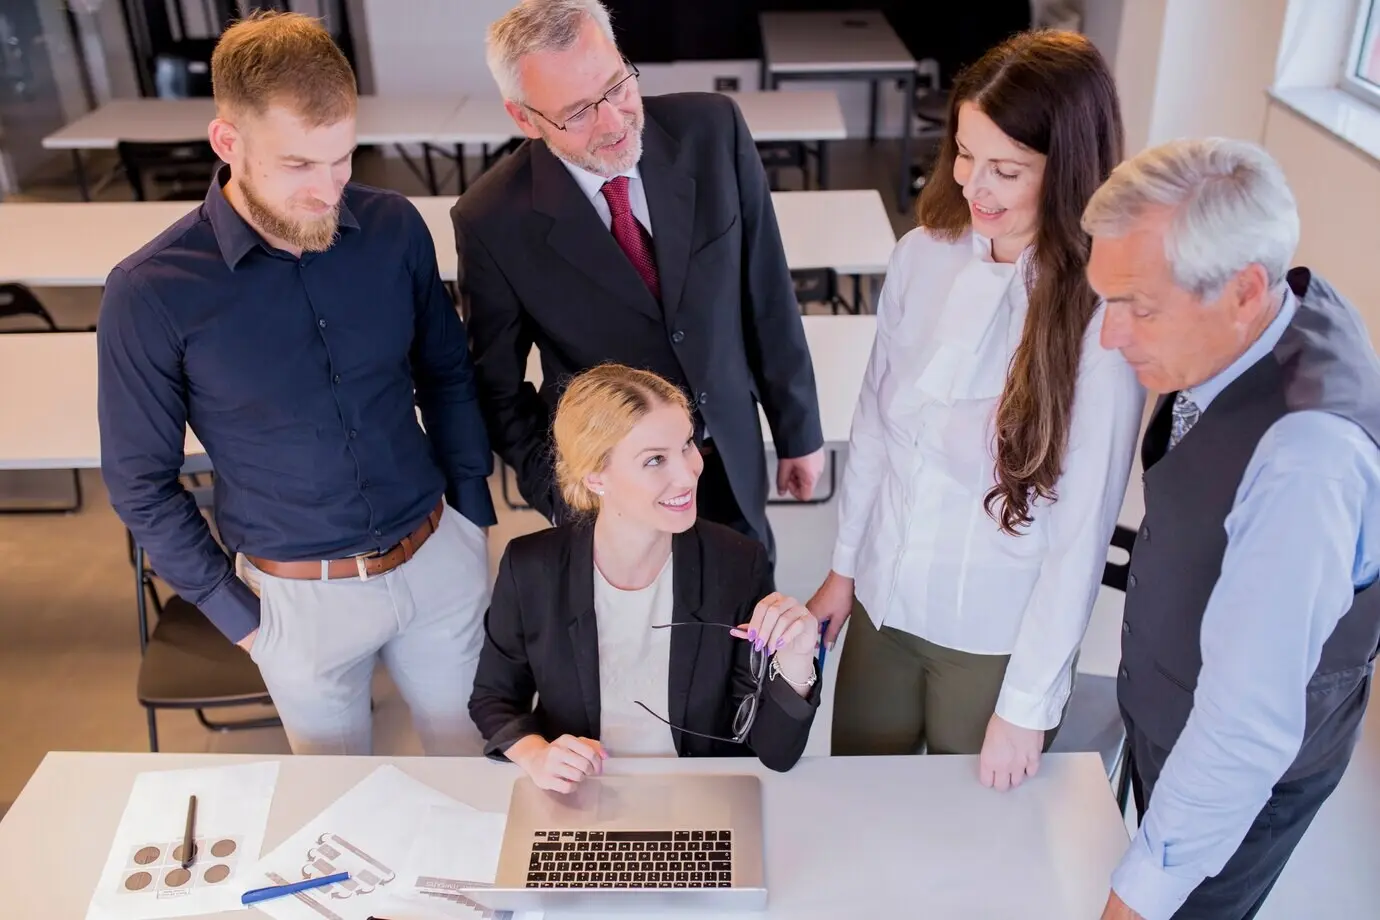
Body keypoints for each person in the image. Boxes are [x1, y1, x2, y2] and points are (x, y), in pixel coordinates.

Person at [97, 11, 496, 756]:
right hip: (294, 601)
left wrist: (471, 516)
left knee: (477, 782)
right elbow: (138, 481)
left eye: (342, 158)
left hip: (438, 556)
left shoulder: (393, 227)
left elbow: (445, 372)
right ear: (228, 142)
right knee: (341, 826)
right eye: (298, 166)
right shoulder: (150, 291)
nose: (328, 189)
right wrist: (240, 618)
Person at [805, 30, 1144, 787]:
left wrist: (1026, 704)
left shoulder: (1100, 316)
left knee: (971, 849)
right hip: (884, 609)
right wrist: (842, 571)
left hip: (991, 633)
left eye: (1007, 169)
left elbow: (1081, 532)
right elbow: (873, 429)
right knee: (860, 806)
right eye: (964, 152)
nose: (973, 185)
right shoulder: (921, 255)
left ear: (1068, 171)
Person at [1085, 139, 1380, 920]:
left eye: (1139, 308)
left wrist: (1139, 897)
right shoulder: (1268, 311)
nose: (1111, 337)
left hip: (1244, 778)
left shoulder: (1306, 462)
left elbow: (1243, 727)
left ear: (1245, 290)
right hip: (1178, 709)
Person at [453, 0, 826, 565]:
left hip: (729, 452)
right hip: (616, 491)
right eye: (577, 112)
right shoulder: (490, 220)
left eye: (617, 86)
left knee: (748, 621)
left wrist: (798, 431)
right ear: (524, 118)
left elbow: (767, 292)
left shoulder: (713, 129)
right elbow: (497, 392)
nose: (613, 122)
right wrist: (565, 499)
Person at [469, 364, 821, 789]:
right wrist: (536, 754)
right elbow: (494, 698)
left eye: (688, 444)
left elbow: (774, 752)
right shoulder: (531, 567)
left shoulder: (736, 563)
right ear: (595, 476)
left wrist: (798, 661)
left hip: (702, 793)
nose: (687, 473)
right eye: (655, 459)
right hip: (584, 792)